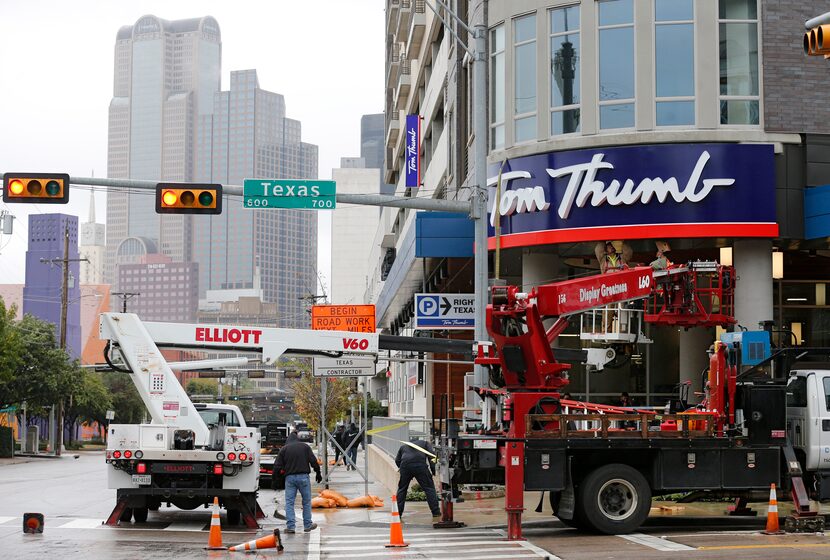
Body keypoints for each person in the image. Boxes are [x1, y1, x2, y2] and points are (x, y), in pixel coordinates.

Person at [274, 431, 321, 533]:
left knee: (289, 503)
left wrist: (276, 480)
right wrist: (318, 472)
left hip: (290, 479)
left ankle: (291, 527)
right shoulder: (305, 447)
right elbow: (313, 461)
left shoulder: (284, 449)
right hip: (304, 477)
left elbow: (277, 466)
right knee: (306, 502)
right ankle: (307, 525)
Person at [395, 439, 441, 522]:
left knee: (402, 489)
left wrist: (402, 469)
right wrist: (433, 469)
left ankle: (398, 513)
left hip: (405, 466)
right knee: (429, 488)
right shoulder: (425, 443)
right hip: (420, 466)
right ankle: (436, 512)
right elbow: (433, 456)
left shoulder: (403, 446)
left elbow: (397, 460)